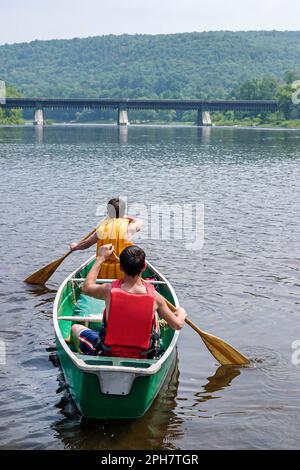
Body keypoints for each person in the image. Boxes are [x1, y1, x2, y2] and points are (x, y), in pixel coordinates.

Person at [71, 244, 187, 359]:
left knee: (75, 328)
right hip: (143, 356)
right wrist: (181, 313)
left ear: (120, 267)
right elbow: (177, 324)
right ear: (144, 266)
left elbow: (86, 287)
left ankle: (84, 355)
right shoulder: (156, 298)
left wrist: (101, 258)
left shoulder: (109, 290)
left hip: (109, 352)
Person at [69, 197, 143, 278]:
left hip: (103, 275)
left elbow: (86, 244)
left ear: (108, 211)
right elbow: (140, 222)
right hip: (124, 274)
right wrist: (128, 217)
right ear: (123, 211)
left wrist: (75, 247)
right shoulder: (130, 227)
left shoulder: (101, 229)